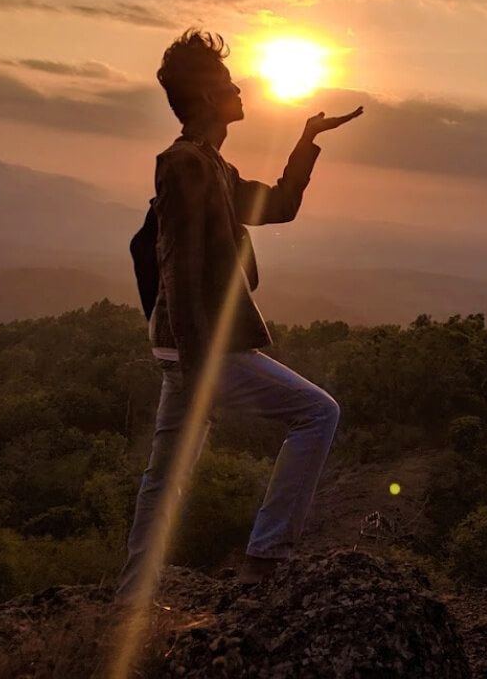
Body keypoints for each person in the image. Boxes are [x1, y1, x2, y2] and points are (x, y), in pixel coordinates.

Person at [119, 29, 364, 596]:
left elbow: (279, 206)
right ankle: (266, 558)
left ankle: (130, 602)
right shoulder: (184, 164)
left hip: (184, 346)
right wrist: (199, 362)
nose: (239, 87)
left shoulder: (212, 167)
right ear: (207, 100)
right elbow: (177, 263)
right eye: (228, 82)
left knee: (165, 480)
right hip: (201, 346)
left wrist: (306, 142)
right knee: (316, 414)